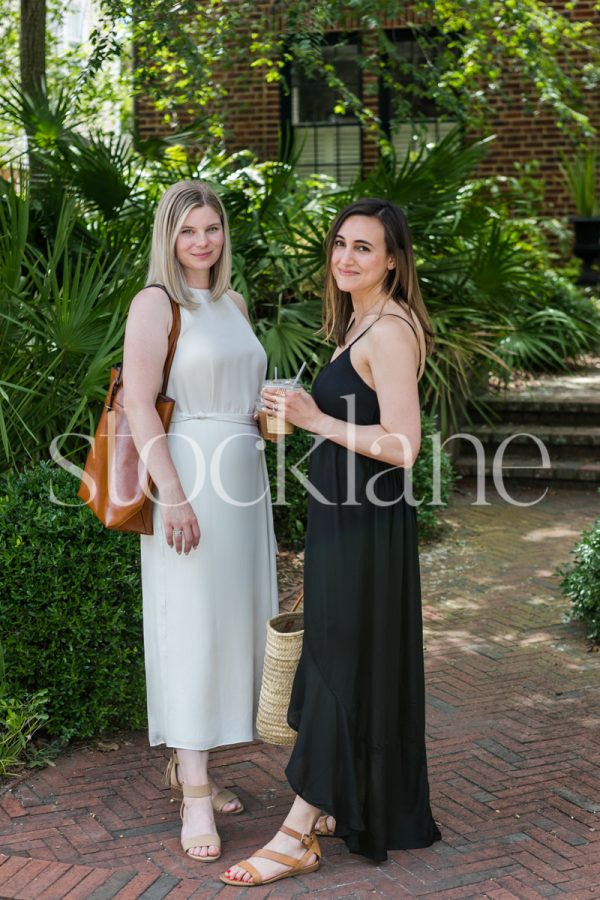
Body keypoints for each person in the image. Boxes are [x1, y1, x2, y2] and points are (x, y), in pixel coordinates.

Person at [221, 198, 441, 887]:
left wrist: (316, 419)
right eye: (341, 244)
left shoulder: (391, 330)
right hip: (344, 513)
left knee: (337, 666)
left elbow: (404, 446)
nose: (346, 258)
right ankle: (341, 804)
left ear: (394, 261)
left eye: (364, 248)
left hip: (367, 522)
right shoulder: (360, 320)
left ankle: (295, 833)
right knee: (346, 659)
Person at [123, 180, 278, 863]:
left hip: (244, 479)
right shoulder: (156, 304)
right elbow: (137, 403)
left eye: (212, 228)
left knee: (231, 630)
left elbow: (238, 392)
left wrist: (268, 415)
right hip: (188, 476)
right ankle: (193, 793)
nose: (203, 242)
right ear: (170, 237)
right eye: (189, 231)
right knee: (189, 626)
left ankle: (195, 767)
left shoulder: (234, 302)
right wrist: (174, 495)